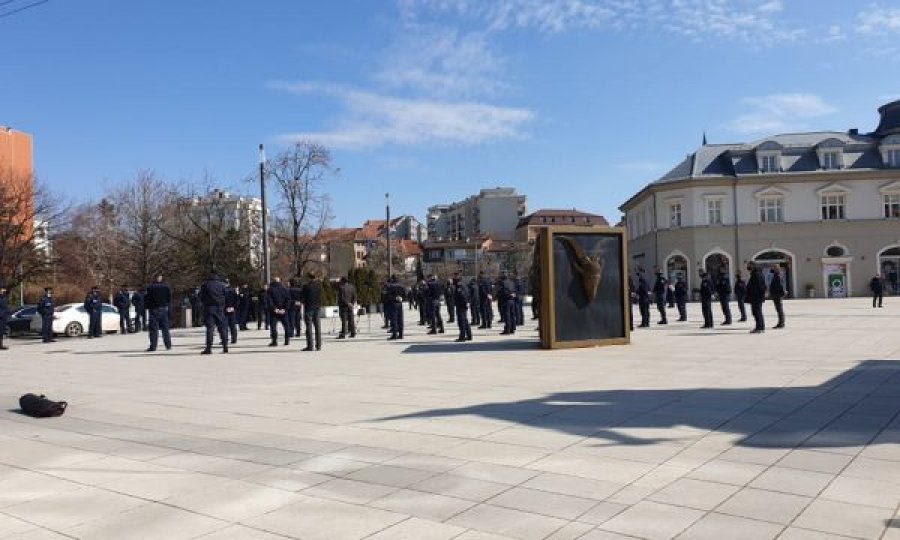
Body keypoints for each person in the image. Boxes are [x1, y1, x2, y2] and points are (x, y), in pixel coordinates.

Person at [200, 272, 228, 354]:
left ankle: (209, 348)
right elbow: (226, 295)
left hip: (209, 308)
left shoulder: (205, 285)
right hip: (219, 308)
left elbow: (201, 297)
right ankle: (225, 346)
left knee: (210, 329)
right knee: (222, 328)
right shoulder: (221, 285)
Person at [146, 275, 172, 351]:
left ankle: (153, 346)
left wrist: (148, 306)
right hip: (163, 309)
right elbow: (169, 299)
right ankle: (168, 345)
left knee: (154, 329)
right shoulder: (166, 287)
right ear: (161, 278)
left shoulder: (150, 288)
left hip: (154, 309)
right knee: (165, 329)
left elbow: (147, 299)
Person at [267, 277, 291, 347]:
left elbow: (269, 300)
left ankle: (274, 341)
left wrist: (274, 308)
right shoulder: (284, 289)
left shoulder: (270, 290)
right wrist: (285, 309)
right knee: (286, 326)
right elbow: (288, 300)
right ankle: (287, 340)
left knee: (273, 326)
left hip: (274, 312)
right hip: (283, 311)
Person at [303, 272, 323, 351]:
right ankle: (318, 345)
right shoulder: (319, 286)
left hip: (308, 308)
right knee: (318, 327)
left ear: (309, 278)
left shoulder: (306, 287)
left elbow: (303, 297)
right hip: (317, 308)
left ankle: (310, 346)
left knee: (309, 328)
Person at [746, 262, 767, 334]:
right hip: (757, 296)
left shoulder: (756, 274)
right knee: (758, 312)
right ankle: (760, 326)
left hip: (756, 297)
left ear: (753, 266)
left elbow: (758, 286)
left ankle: (759, 327)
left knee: (756, 312)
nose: (748, 267)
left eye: (749, 266)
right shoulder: (758, 273)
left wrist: (754, 294)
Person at [453, 274, 472, 342]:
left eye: (455, 276)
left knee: (461, 321)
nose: (454, 278)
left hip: (461, 305)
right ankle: (469, 335)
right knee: (465, 321)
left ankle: (462, 336)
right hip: (463, 304)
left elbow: (462, 295)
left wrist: (466, 302)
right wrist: (468, 302)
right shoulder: (464, 284)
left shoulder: (459, 285)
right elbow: (468, 294)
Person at [387, 275, 406, 340]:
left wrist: (395, 298)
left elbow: (388, 296)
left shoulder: (390, 286)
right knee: (400, 319)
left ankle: (394, 334)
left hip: (393, 303)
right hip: (400, 304)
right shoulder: (402, 286)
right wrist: (401, 298)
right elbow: (405, 295)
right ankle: (401, 334)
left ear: (392, 279)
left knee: (394, 319)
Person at [0, 282, 9, 350]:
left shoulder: (5, 298)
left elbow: (6, 308)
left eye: (4, 289)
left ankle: (1, 345)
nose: (4, 291)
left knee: (2, 331)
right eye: (2, 289)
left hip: (3, 317)